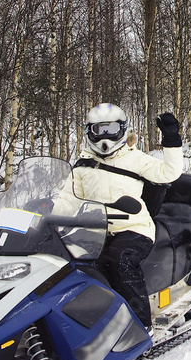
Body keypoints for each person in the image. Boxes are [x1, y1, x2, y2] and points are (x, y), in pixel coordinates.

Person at [53, 103, 183, 327]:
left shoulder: (134, 158)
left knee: (119, 259)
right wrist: (46, 211)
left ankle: (139, 325)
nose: (104, 136)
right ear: (89, 132)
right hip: (94, 229)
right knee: (69, 262)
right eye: (98, 130)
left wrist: (171, 140)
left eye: (110, 129)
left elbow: (168, 173)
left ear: (122, 129)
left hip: (133, 227)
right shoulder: (83, 165)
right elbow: (69, 199)